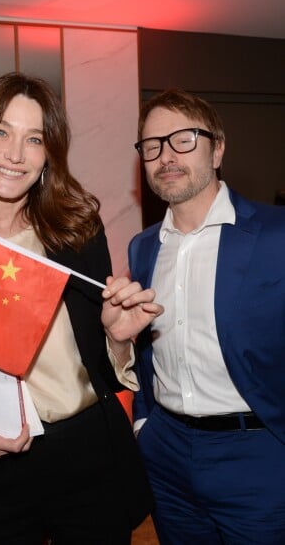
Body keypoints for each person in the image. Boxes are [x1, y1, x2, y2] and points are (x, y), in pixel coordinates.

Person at [0, 72, 163, 544]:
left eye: (34, 139)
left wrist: (119, 339)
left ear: (48, 156)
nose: (15, 154)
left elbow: (98, 359)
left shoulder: (76, 231)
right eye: (0, 131)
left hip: (85, 452)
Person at [129, 88, 285, 544]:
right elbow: (144, 346)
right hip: (167, 452)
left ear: (217, 148)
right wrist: (144, 423)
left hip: (258, 452)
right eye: (152, 145)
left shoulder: (276, 235)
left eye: (184, 139)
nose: (166, 156)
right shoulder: (142, 248)